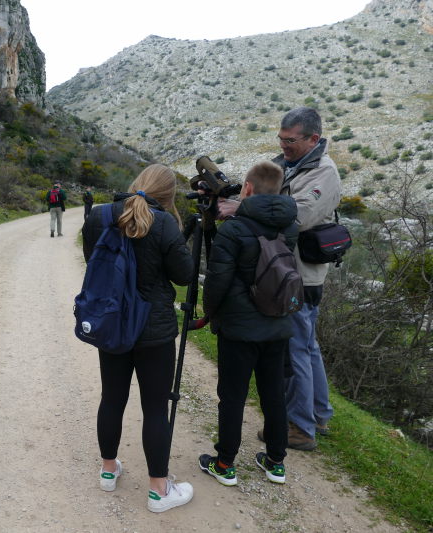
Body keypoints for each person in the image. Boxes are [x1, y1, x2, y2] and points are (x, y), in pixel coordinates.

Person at [218, 107, 342, 451]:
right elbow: (268, 201)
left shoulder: (324, 173)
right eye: (281, 139)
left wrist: (241, 208)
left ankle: (301, 428)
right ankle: (318, 412)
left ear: (313, 138)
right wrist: (233, 200)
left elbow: (296, 216)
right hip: (288, 270)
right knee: (308, 346)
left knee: (297, 350)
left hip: (298, 275)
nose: (283, 146)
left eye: (290, 140)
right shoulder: (292, 164)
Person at [81, 164, 194, 513]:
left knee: (112, 399)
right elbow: (185, 276)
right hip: (153, 331)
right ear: (168, 194)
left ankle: (108, 471)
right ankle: (159, 491)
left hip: (112, 324)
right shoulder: (163, 225)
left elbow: (93, 262)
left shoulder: (99, 217)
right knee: (155, 409)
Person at [198, 161, 298, 487]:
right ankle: (276, 462)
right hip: (279, 324)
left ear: (248, 189)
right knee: (273, 396)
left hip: (239, 331)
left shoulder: (234, 230)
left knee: (233, 397)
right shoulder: (290, 227)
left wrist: (208, 314)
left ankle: (225, 462)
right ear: (281, 191)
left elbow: (216, 281)